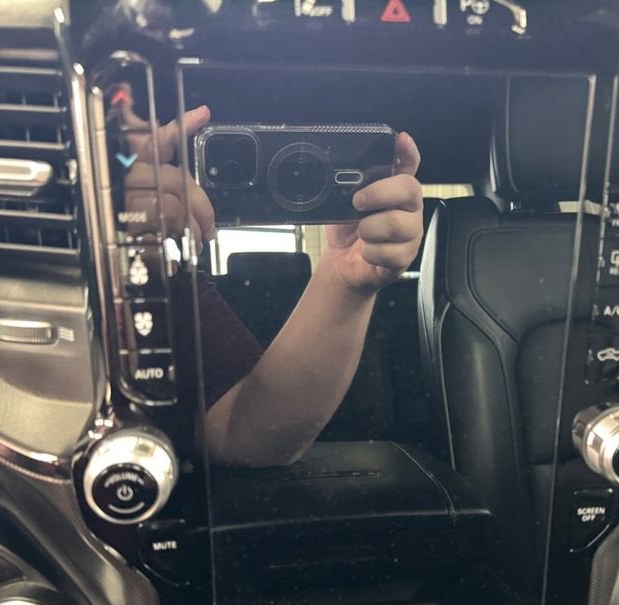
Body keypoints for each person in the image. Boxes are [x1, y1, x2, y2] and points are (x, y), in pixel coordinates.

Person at [119, 97, 424, 467]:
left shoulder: (162, 282)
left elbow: (246, 435)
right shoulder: (153, 274)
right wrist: (107, 229)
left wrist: (345, 278)